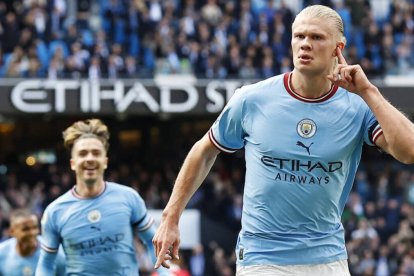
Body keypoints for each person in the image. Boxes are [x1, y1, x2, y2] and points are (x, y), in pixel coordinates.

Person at [152, 4, 414, 275]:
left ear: (339, 47)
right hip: (261, 258)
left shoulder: (357, 106)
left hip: (327, 258)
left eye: (316, 37)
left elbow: (409, 151)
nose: (305, 44)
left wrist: (369, 91)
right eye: (299, 36)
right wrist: (170, 217)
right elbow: (204, 151)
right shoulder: (252, 98)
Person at [36, 119, 170, 275]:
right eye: (83, 153)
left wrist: (165, 273)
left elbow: (153, 243)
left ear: (105, 161)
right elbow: (46, 264)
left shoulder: (129, 198)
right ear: (73, 163)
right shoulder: (55, 212)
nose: (90, 158)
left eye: (96, 153)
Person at [0, 208, 65, 276]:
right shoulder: (1, 253)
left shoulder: (55, 253)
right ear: (12, 231)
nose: (32, 233)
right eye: (26, 229)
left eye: (35, 227)